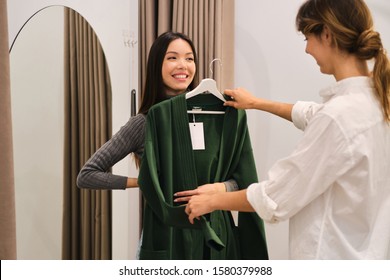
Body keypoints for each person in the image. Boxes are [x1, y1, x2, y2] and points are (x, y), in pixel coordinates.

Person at [184, 0, 390, 259]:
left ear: (326, 33)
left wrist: (213, 200)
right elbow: (311, 114)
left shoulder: (338, 117)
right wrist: (256, 103)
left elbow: (276, 197)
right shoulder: (377, 104)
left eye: (307, 38)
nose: (306, 49)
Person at [76, 31, 238, 257]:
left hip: (214, 235)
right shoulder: (144, 123)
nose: (183, 65)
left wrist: (220, 188)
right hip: (165, 234)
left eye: (189, 58)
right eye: (172, 57)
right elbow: (87, 175)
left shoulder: (218, 118)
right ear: (156, 65)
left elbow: (240, 181)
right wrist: (146, 182)